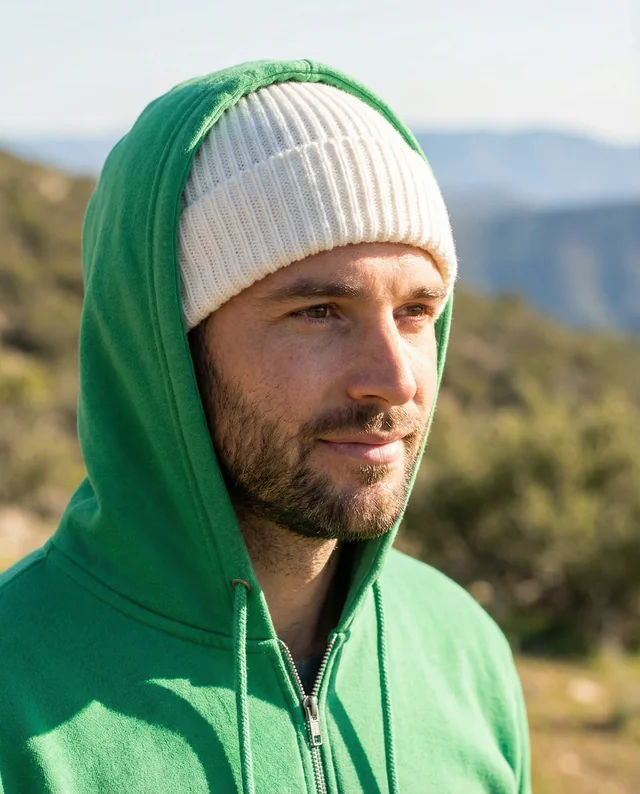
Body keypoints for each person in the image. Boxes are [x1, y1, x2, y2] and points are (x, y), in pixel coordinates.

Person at [0, 59, 531, 793]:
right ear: (168, 349)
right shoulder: (15, 696)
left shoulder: (460, 650)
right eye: (318, 312)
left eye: (416, 312)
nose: (397, 378)